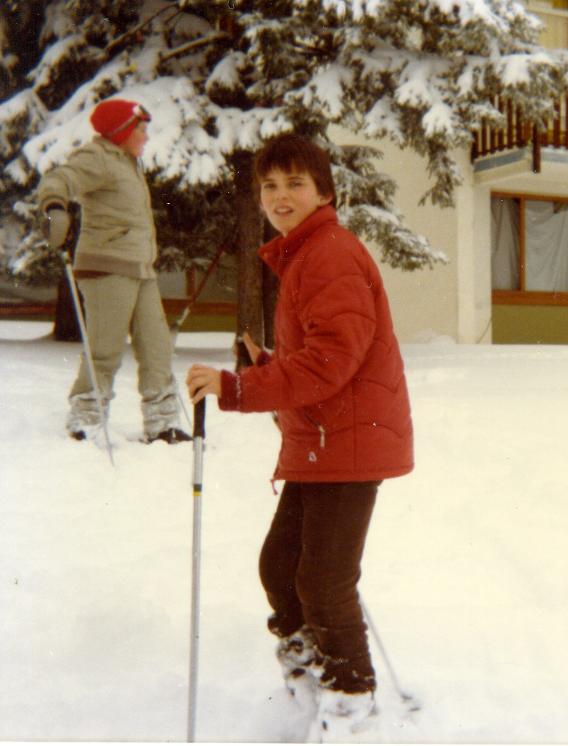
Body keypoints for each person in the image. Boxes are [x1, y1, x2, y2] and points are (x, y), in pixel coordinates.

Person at [186, 133, 414, 737]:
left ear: (324, 192)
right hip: (324, 439)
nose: (280, 196)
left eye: (295, 183)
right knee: (281, 567)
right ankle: (310, 671)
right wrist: (266, 367)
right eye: (269, 185)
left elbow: (331, 362)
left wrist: (238, 387)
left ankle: (352, 702)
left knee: (323, 581)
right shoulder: (307, 253)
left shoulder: (329, 255)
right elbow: (324, 358)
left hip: (349, 441)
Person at [38, 98, 190, 444]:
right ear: (121, 131)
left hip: (140, 268)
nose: (146, 136)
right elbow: (60, 179)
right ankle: (86, 419)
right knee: (105, 348)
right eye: (141, 129)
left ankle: (162, 423)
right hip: (106, 266)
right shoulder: (98, 158)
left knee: (157, 347)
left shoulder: (127, 162)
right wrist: (54, 207)